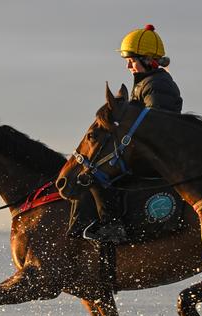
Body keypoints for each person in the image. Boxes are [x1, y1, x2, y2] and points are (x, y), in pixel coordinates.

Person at [69, 24, 183, 244]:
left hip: (158, 156)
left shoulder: (158, 85)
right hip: (147, 151)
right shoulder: (146, 83)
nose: (129, 66)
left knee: (97, 174)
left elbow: (157, 125)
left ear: (148, 60)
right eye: (127, 61)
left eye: (132, 60)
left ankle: (113, 226)